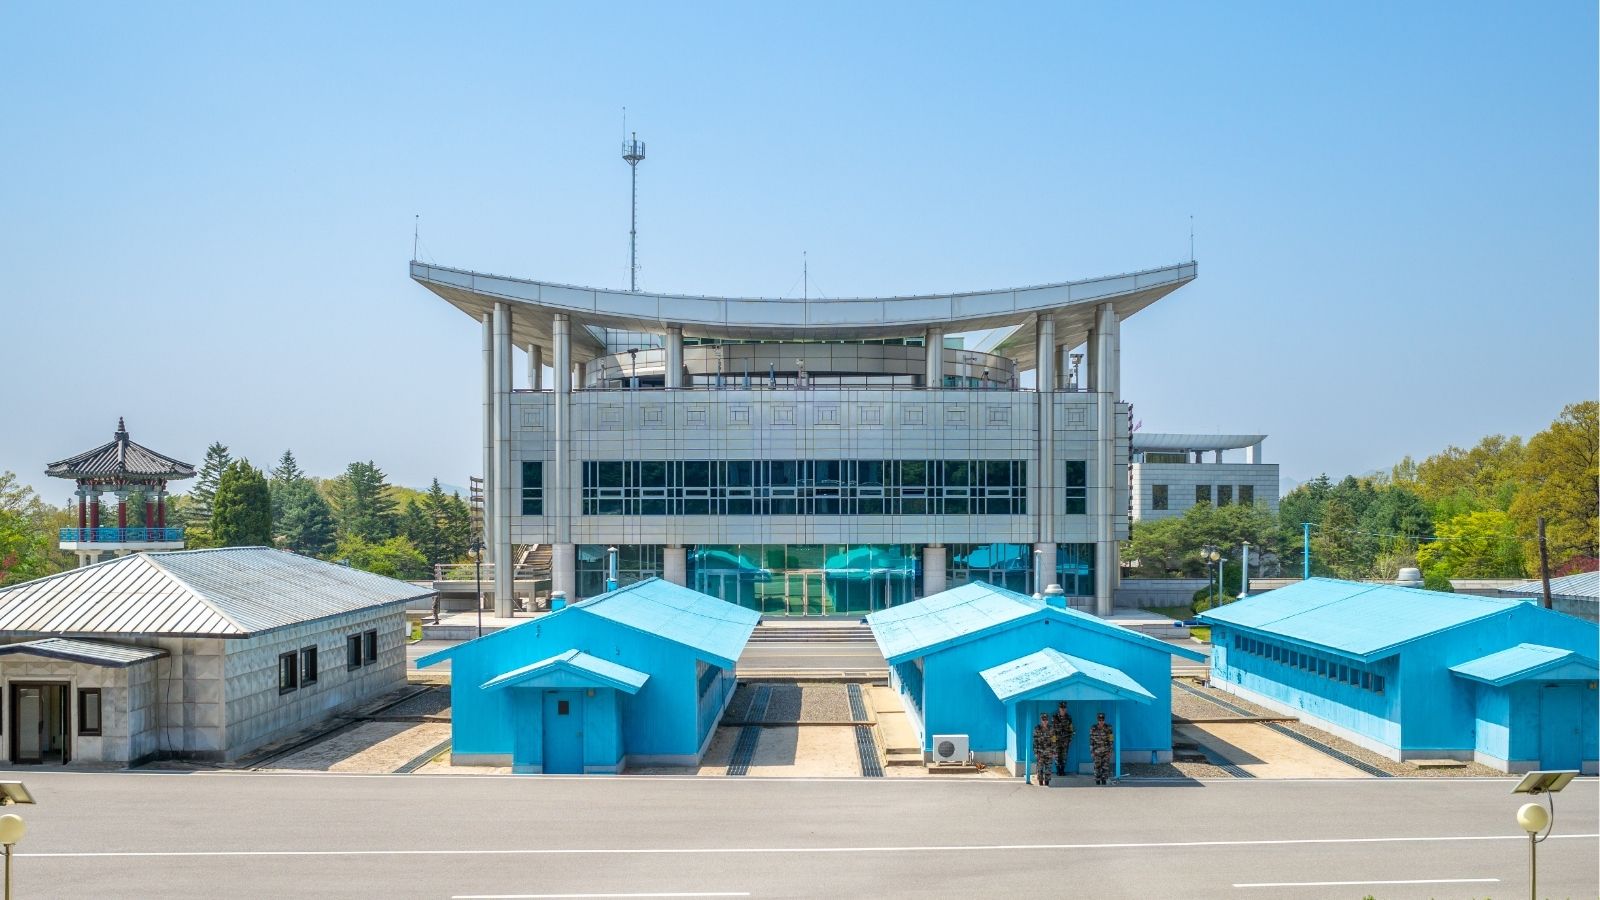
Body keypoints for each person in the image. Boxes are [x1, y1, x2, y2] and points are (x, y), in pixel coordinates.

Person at [1090, 711, 1114, 785]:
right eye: (1100, 720)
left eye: (1102, 720)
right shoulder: (1093, 728)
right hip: (1096, 752)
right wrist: (1092, 751)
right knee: (1097, 767)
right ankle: (1097, 781)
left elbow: (1111, 740)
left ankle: (1104, 781)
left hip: (1106, 752)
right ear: (1097, 720)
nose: (1101, 722)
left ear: (1104, 720)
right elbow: (1091, 741)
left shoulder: (1109, 728)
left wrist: (1110, 751)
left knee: (1105, 767)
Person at [1031, 713, 1055, 786]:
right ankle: (1040, 783)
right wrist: (1035, 752)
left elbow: (1054, 740)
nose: (1045, 721)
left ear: (1048, 720)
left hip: (1049, 753)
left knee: (1048, 769)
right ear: (1041, 720)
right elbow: (1035, 741)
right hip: (1040, 753)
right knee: (1040, 769)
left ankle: (1047, 783)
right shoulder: (1037, 728)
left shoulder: (1051, 729)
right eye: (1043, 720)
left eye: (1046, 720)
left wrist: (1054, 752)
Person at [1052, 702, 1075, 777]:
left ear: (1066, 709)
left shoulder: (1069, 717)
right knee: (1057, 756)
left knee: (1064, 756)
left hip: (1065, 740)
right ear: (1059, 708)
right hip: (1057, 740)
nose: (1063, 709)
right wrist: (1053, 741)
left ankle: (1062, 770)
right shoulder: (1055, 717)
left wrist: (1070, 739)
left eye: (1064, 708)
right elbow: (1052, 730)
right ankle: (1058, 770)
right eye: (1061, 708)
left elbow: (1071, 729)